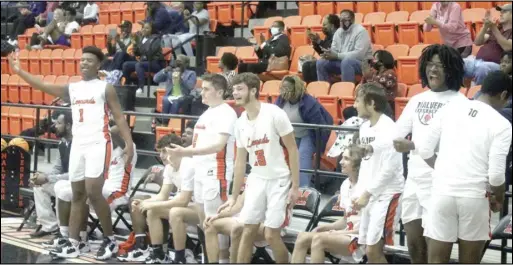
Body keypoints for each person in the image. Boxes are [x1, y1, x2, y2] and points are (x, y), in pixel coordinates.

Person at [8, 45, 135, 260]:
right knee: (77, 194)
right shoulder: (73, 88)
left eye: (89, 60)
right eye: (82, 59)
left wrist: (129, 144)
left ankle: (110, 239)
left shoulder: (105, 88)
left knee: (94, 193)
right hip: (79, 144)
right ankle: (76, 242)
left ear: (98, 65)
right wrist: (20, 72)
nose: (84, 63)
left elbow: (120, 117)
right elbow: (44, 86)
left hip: (98, 143)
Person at [418, 70, 512, 263]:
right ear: (503, 95)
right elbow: (495, 176)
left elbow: (425, 150)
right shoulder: (502, 124)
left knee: (436, 261)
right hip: (474, 197)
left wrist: (445, 171)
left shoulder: (450, 108)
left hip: (442, 192)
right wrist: (499, 198)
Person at [392, 44, 467, 263]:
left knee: (435, 250)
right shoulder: (417, 100)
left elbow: (455, 145)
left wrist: (413, 145)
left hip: (440, 184)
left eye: (440, 66)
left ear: (451, 70)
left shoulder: (459, 103)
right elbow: (397, 132)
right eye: (430, 65)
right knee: (414, 245)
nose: (433, 70)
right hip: (414, 181)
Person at [224, 72, 300, 263]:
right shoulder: (240, 123)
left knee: (270, 234)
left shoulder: (275, 114)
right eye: (233, 89)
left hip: (279, 180)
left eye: (239, 89)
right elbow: (240, 162)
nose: (235, 93)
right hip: (256, 178)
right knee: (247, 230)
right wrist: (233, 196)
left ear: (253, 90)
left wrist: (295, 187)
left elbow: (292, 149)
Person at [166, 74, 237, 264]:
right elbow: (199, 145)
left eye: (206, 89)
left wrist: (186, 152)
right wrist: (180, 152)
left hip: (216, 170)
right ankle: (209, 259)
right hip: (200, 170)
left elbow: (218, 146)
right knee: (204, 222)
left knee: (214, 223)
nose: (201, 92)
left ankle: (222, 260)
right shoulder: (207, 113)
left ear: (220, 92)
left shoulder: (226, 113)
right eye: (202, 88)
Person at [44, 122, 137, 256]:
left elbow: (117, 137)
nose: (111, 136)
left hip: (119, 192)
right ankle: (76, 238)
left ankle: (108, 240)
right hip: (103, 188)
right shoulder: (105, 150)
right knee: (66, 190)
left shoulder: (130, 147)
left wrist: (104, 125)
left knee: (87, 195)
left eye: (118, 134)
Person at [120, 134, 194, 263]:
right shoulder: (169, 167)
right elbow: (163, 195)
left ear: (176, 149)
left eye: (164, 151)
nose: (161, 156)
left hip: (198, 207)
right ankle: (158, 254)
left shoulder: (188, 164)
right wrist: (144, 202)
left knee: (171, 212)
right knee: (152, 210)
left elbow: (183, 200)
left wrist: (151, 204)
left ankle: (180, 257)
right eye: (160, 152)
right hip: (185, 205)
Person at [352, 82, 404, 263]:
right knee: (367, 249)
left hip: (388, 194)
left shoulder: (390, 128)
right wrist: (359, 192)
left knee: (374, 251)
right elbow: (367, 166)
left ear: (372, 103)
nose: (354, 105)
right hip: (370, 194)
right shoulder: (364, 127)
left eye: (358, 100)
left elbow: (390, 169)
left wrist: (366, 194)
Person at [291, 145, 365, 263]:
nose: (340, 162)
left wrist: (339, 233)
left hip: (361, 241)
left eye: (346, 159)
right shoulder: (345, 185)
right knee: (302, 237)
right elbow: (346, 220)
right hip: (346, 235)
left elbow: (367, 229)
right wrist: (325, 227)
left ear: (357, 163)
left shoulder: (367, 188)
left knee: (319, 240)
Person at [275, 75, 333, 187]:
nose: (283, 91)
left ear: (296, 89)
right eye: (282, 88)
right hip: (292, 134)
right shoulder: (281, 99)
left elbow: (321, 128)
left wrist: (319, 148)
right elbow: (273, 116)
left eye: (287, 89)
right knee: (291, 158)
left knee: (302, 157)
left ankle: (303, 191)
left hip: (308, 134)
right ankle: (288, 186)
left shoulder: (310, 103)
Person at [29, 111, 73, 238]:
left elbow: (76, 174)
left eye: (59, 123)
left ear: (69, 126)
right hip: (64, 181)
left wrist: (48, 178)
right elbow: (58, 168)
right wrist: (43, 178)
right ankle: (49, 225)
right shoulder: (62, 143)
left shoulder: (78, 145)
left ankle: (63, 229)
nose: (55, 126)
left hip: (78, 184)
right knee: (39, 185)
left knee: (60, 188)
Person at [316, 9, 373, 84]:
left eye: (345, 19)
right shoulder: (338, 32)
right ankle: (324, 90)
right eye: (341, 20)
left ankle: (347, 91)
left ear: (352, 20)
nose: (342, 22)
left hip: (362, 64)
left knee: (347, 62)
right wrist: (329, 54)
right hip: (342, 61)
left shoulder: (361, 31)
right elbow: (334, 49)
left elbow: (359, 54)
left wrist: (337, 55)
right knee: (321, 62)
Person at [464, 3, 512, 85]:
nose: (501, 13)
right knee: (457, 62)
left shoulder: (497, 29)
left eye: (504, 11)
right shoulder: (497, 28)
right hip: (477, 61)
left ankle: (476, 93)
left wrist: (493, 28)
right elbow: (477, 42)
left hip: (497, 65)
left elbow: (507, 47)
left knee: (482, 68)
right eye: (501, 11)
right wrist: (485, 26)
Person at [122, 22, 165, 94]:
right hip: (144, 61)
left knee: (139, 65)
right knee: (126, 65)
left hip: (155, 63)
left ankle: (141, 87)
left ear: (152, 30)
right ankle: (127, 85)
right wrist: (135, 44)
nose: (144, 30)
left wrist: (139, 43)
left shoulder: (156, 39)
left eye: (147, 28)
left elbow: (149, 53)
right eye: (143, 28)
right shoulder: (142, 39)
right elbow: (137, 53)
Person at [302, 14, 340, 83]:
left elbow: (330, 50)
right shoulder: (328, 36)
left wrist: (319, 41)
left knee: (316, 65)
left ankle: (322, 87)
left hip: (338, 61)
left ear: (332, 26)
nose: (323, 27)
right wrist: (315, 43)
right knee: (306, 65)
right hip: (329, 60)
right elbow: (322, 53)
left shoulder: (339, 35)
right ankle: (310, 87)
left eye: (325, 25)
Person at [360, 50, 398, 118]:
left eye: (375, 59)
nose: (372, 61)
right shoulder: (376, 73)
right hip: (374, 104)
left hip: (384, 107)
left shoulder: (390, 73)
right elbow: (362, 87)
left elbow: (375, 89)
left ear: (382, 61)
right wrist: (365, 76)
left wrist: (367, 77)